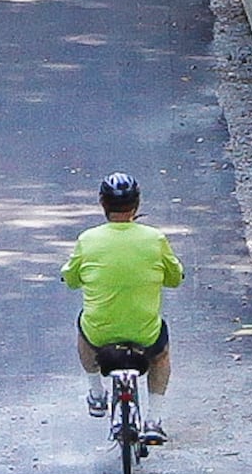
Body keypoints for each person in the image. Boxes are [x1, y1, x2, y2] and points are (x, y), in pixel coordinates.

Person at [61, 172, 183, 442]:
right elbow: (175, 279)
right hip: (144, 333)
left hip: (100, 333)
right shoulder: (155, 239)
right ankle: (154, 420)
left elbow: (70, 280)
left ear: (103, 204)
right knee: (160, 355)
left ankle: (96, 394)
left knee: (84, 324)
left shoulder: (88, 240)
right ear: (136, 205)